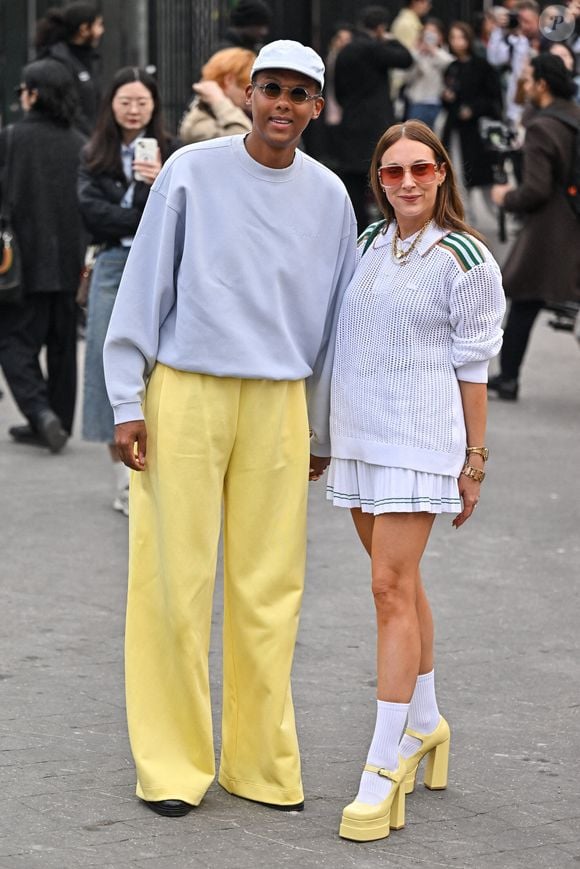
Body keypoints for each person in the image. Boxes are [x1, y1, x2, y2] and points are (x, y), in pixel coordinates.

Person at [102, 40, 357, 818]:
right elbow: (145, 283)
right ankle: (172, 765)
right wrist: (126, 398)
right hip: (187, 390)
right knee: (173, 582)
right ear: (248, 95)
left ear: (317, 107)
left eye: (299, 93)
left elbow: (337, 328)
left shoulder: (331, 197)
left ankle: (260, 762)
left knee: (270, 590)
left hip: (279, 402)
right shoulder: (191, 171)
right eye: (271, 88)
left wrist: (321, 428)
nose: (283, 103)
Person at [326, 120, 505, 842]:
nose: (407, 182)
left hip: (421, 440)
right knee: (400, 580)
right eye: (393, 171)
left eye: (420, 169)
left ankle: (382, 766)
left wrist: (475, 459)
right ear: (378, 178)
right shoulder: (368, 243)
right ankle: (426, 722)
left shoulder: (466, 257)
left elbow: (474, 367)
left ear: (441, 174)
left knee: (387, 588)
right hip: (360, 438)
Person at [78, 67, 178, 514]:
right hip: (112, 263)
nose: (134, 110)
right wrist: (140, 206)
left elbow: (177, 213)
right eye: (125, 101)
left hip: (161, 263)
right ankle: (123, 480)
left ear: (154, 106)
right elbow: (92, 215)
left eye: (142, 102)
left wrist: (156, 183)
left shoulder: (174, 153)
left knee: (158, 367)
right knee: (108, 365)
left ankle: (156, 470)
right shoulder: (93, 153)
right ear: (111, 105)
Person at [0, 59, 86, 453]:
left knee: (12, 341)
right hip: (70, 263)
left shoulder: (11, 139)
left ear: (33, 95)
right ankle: (58, 421)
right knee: (63, 346)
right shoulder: (81, 143)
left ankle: (39, 412)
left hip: (22, 263)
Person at [490, 54, 580, 400]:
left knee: (525, 296)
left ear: (542, 84)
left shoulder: (543, 127)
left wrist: (505, 197)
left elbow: (536, 190)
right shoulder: (572, 116)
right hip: (572, 220)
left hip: (551, 228)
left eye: (528, 78)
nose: (523, 84)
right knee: (530, 300)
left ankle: (508, 378)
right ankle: (508, 376)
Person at [334, 5, 413, 231]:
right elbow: (406, 59)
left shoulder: (345, 51)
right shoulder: (376, 48)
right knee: (384, 176)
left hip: (351, 122)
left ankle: (356, 232)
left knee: (354, 184)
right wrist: (391, 39)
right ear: (380, 28)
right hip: (377, 124)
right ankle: (388, 228)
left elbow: (338, 90)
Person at [442, 22, 502, 208]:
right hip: (457, 128)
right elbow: (448, 100)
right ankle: (465, 213)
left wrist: (473, 109)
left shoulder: (482, 66)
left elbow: (493, 98)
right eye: (453, 37)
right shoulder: (452, 67)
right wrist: (447, 98)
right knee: (458, 173)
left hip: (478, 129)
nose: (457, 42)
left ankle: (490, 213)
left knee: (483, 177)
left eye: (461, 37)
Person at [35, 1, 105, 135]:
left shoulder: (92, 59)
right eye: (98, 25)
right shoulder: (57, 61)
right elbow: (67, 109)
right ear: (84, 29)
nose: (102, 31)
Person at [179, 48, 254, 144]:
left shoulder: (247, 112)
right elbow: (242, 139)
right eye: (247, 87)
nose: (251, 94)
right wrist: (220, 102)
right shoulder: (199, 121)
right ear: (229, 80)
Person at [405, 19, 453, 129]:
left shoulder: (443, 54)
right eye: (427, 33)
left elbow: (449, 64)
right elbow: (407, 77)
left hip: (438, 103)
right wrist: (417, 53)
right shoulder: (417, 54)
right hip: (418, 103)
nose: (429, 36)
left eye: (433, 32)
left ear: (440, 36)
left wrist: (433, 50)